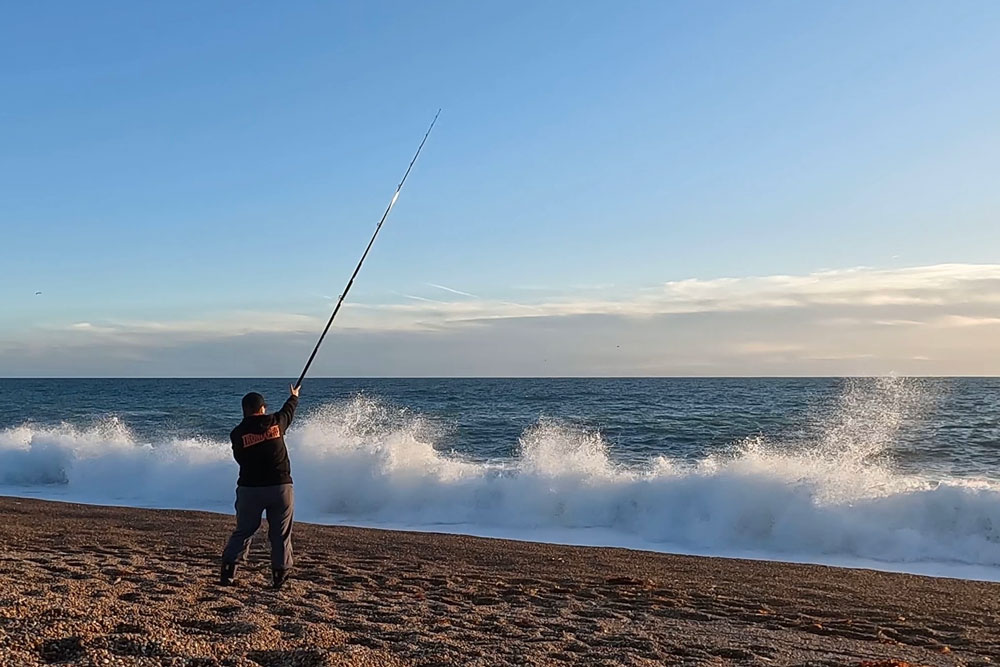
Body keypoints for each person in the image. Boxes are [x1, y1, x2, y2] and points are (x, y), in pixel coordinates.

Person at [220, 384, 300, 590]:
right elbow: (288, 412)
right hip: (280, 487)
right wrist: (294, 396)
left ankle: (229, 571)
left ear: (244, 410)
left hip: (249, 488)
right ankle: (279, 576)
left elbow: (239, 457)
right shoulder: (276, 422)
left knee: (244, 530)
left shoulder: (237, 434)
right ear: (263, 408)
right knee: (280, 533)